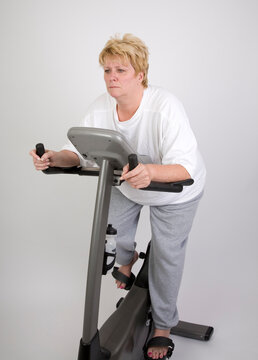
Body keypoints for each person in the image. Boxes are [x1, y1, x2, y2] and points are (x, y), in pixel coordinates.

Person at [30, 34, 206, 360]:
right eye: (107, 70)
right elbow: (77, 153)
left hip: (174, 193)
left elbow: (185, 168)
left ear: (140, 74)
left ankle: (164, 327)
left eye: (121, 70)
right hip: (127, 183)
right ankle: (127, 260)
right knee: (112, 234)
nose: (112, 77)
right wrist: (55, 157)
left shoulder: (165, 107)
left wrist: (151, 173)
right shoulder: (101, 105)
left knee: (166, 257)